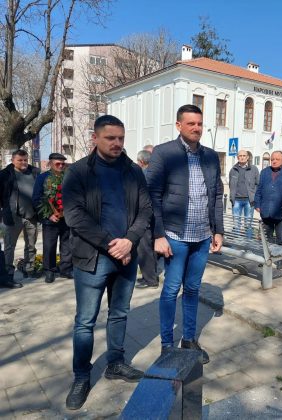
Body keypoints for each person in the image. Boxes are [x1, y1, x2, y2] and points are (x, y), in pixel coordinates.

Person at [62, 115, 152, 410]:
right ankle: (81, 376)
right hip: (92, 258)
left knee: (119, 313)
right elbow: (74, 216)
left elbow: (145, 209)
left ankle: (115, 363)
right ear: (95, 138)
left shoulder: (133, 171)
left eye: (121, 138)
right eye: (110, 138)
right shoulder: (78, 172)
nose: (117, 143)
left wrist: (130, 241)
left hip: (126, 257)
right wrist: (112, 245)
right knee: (85, 321)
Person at [147, 104, 224, 364]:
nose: (196, 128)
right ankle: (167, 345)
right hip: (175, 236)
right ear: (179, 125)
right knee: (171, 290)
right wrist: (158, 234)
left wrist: (218, 230)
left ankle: (189, 339)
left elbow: (216, 195)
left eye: (199, 123)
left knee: (192, 289)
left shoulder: (210, 156)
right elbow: (152, 195)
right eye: (191, 123)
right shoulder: (164, 153)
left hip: (202, 238)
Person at [0, 149, 39, 287]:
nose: (23, 163)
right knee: (10, 247)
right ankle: (8, 275)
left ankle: (29, 269)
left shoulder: (35, 172)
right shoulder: (4, 175)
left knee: (31, 245)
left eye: (25, 160)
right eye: (20, 160)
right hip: (12, 216)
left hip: (31, 215)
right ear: (13, 160)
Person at [32, 153, 73, 283]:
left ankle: (65, 269)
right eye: (57, 164)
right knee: (49, 246)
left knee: (67, 245)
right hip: (50, 219)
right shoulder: (42, 178)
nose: (61, 166)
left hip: (66, 218)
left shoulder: (68, 177)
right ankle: (49, 270)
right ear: (50, 163)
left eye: (63, 164)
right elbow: (37, 198)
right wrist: (48, 215)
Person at [254, 151, 282, 270]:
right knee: (266, 238)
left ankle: (279, 260)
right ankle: (266, 258)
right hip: (266, 210)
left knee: (280, 238)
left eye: (277, 159)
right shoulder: (264, 172)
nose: (274, 161)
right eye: (272, 159)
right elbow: (259, 189)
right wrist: (257, 203)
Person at [135, 149, 159, 289]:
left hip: (146, 216)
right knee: (150, 247)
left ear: (141, 162)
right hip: (154, 216)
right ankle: (149, 276)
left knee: (144, 248)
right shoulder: (155, 173)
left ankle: (150, 279)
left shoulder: (144, 175)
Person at [229, 149, 259, 237]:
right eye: (240, 156)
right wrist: (232, 196)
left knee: (248, 225)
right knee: (236, 224)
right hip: (236, 201)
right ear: (237, 157)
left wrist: (253, 194)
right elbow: (231, 184)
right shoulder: (233, 170)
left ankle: (248, 243)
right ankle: (237, 243)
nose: (242, 157)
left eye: (244, 156)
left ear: (247, 157)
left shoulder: (254, 169)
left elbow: (258, 183)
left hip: (249, 201)